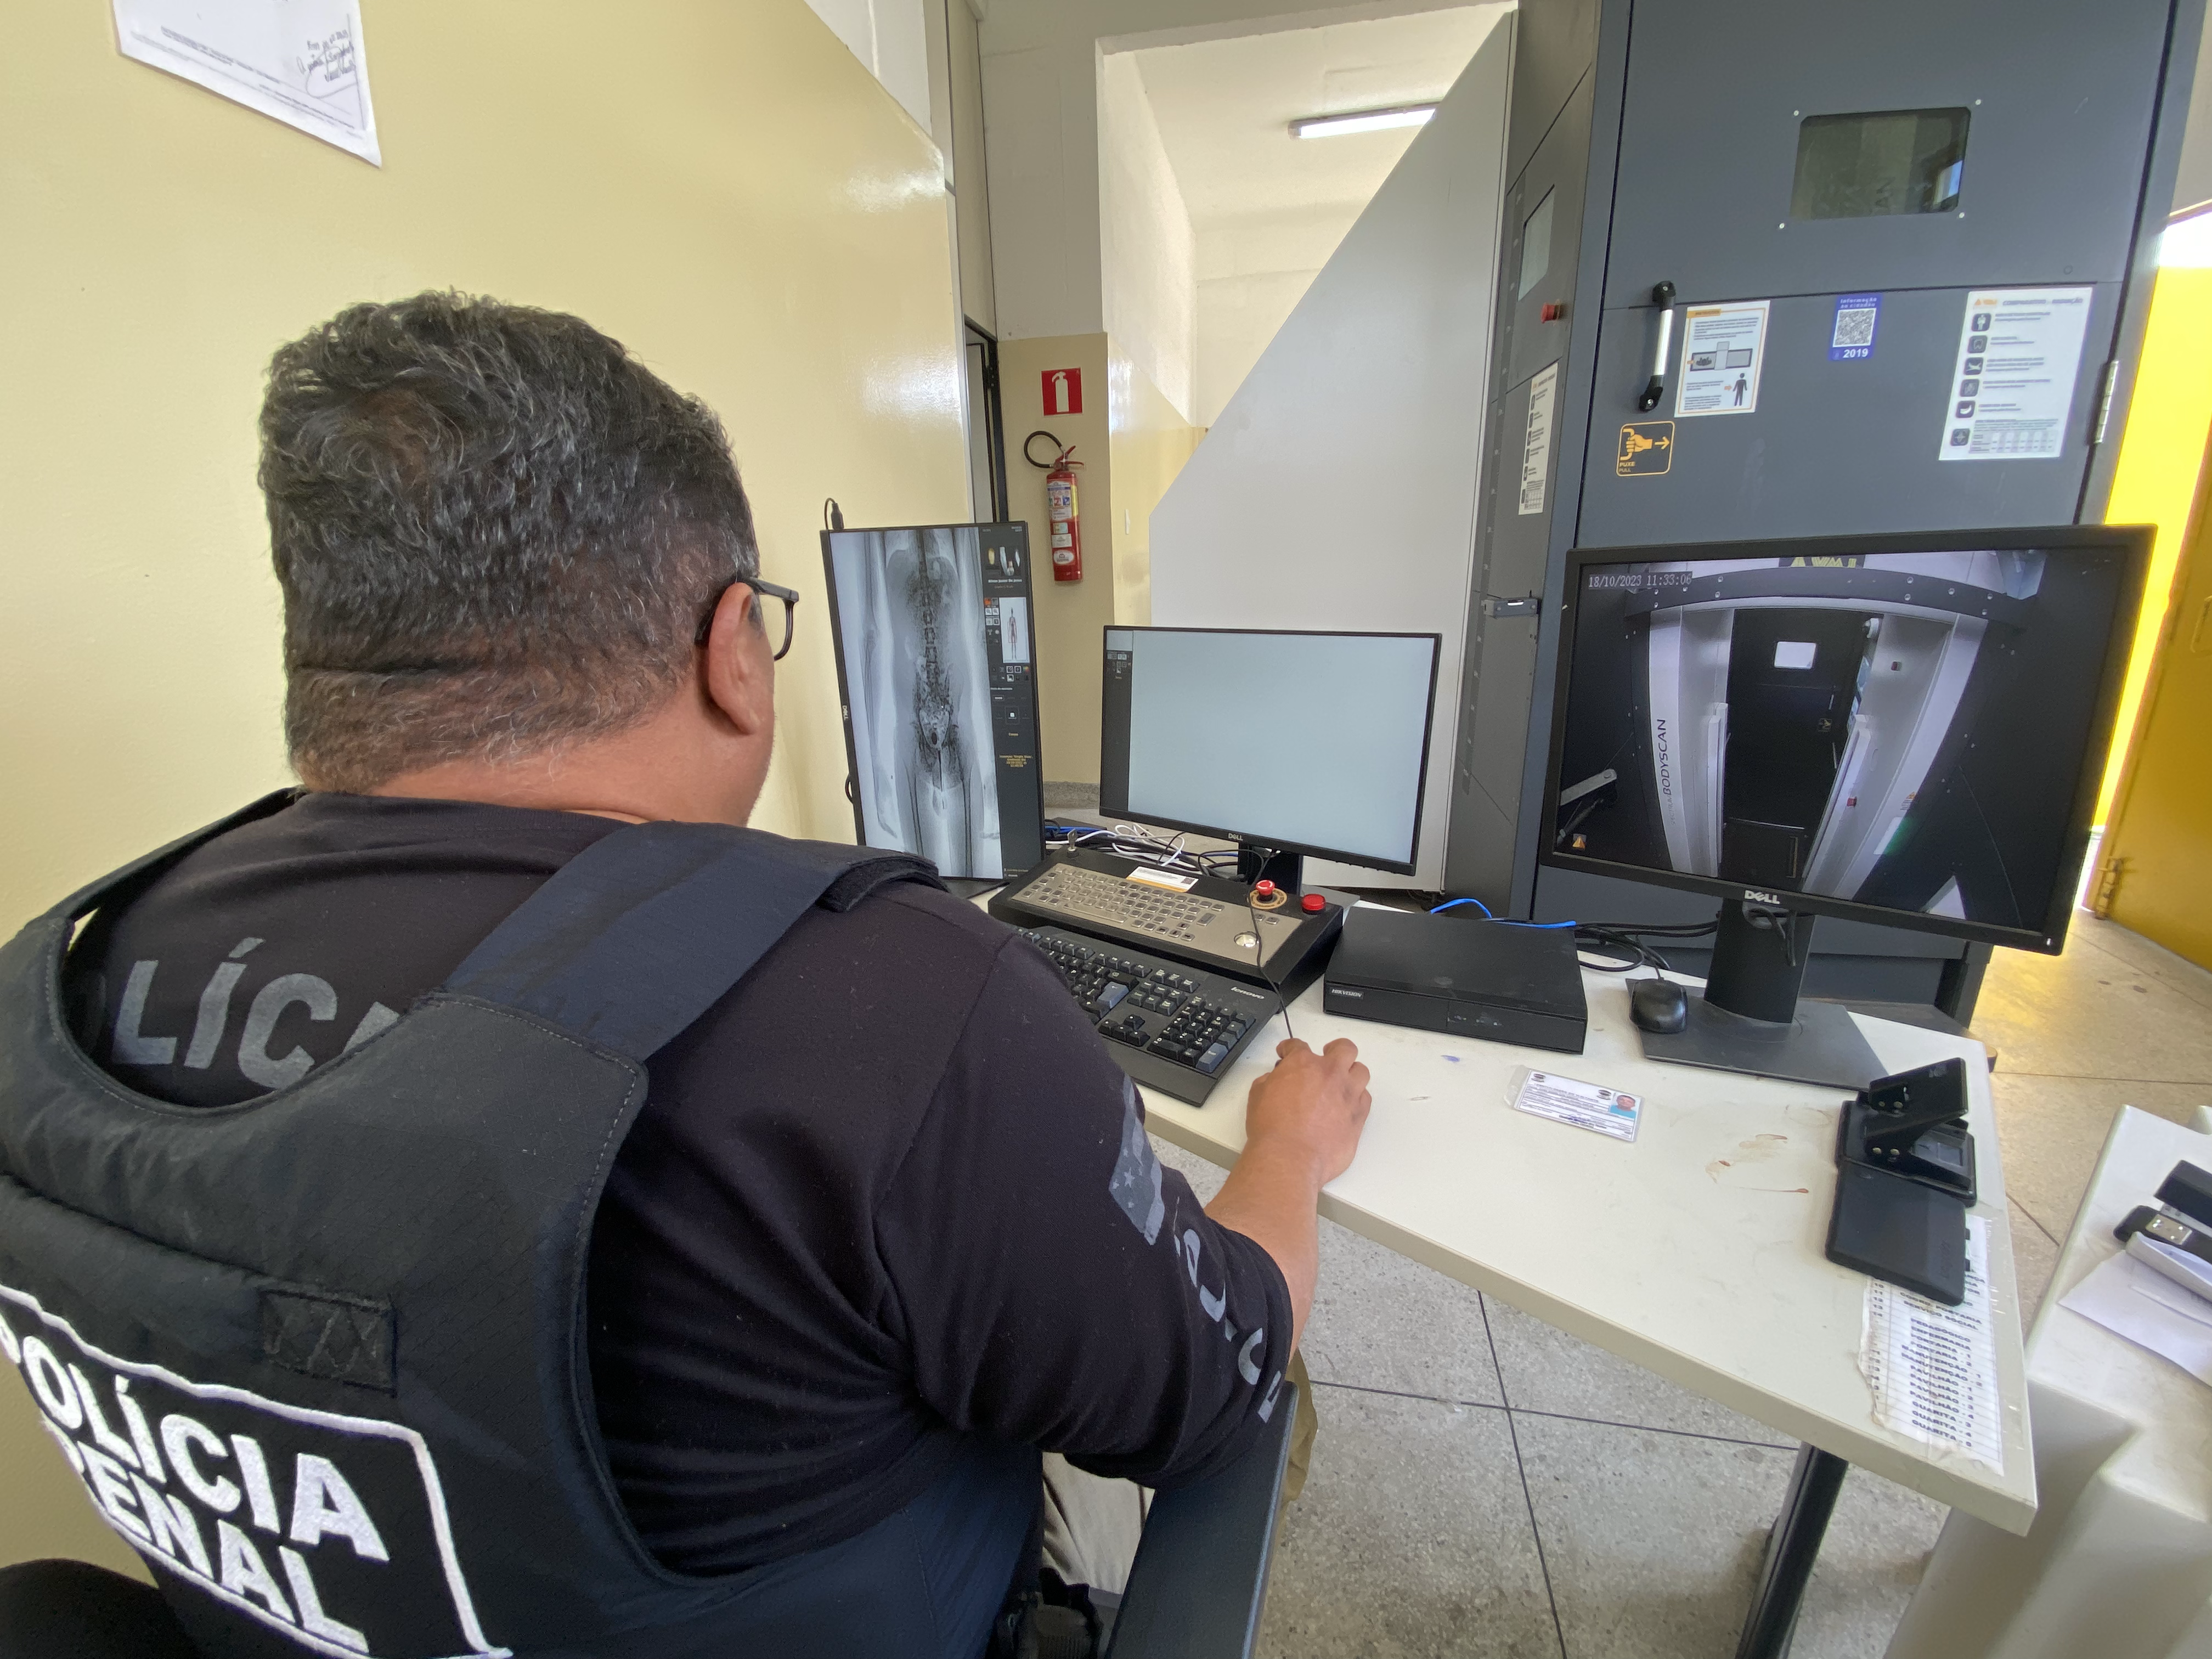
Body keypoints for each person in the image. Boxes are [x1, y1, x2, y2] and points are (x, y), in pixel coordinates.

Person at [8, 294, 1372, 1659]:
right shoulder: (893, 1009)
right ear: (733, 651)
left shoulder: (66, 980)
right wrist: (1290, 1158)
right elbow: (1217, 1377)